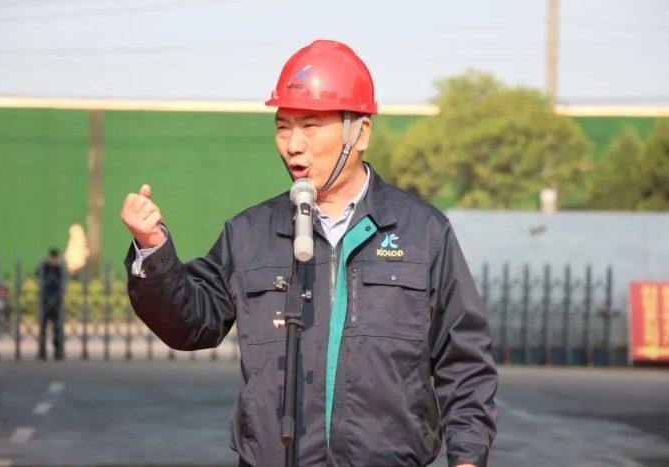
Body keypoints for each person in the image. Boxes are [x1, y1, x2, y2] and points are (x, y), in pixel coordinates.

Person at [122, 40, 498, 467]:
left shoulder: (422, 232)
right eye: (283, 127)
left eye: (311, 125)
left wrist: (467, 458)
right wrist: (152, 247)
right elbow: (191, 325)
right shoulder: (250, 234)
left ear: (360, 133)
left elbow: (464, 360)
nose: (293, 145)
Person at [36, 247, 65, 360]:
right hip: (45, 302)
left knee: (57, 328)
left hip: (56, 302)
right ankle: (42, 351)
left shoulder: (59, 269)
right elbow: (37, 274)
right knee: (43, 327)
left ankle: (58, 351)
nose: (53, 260)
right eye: (52, 258)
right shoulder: (45, 268)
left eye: (55, 258)